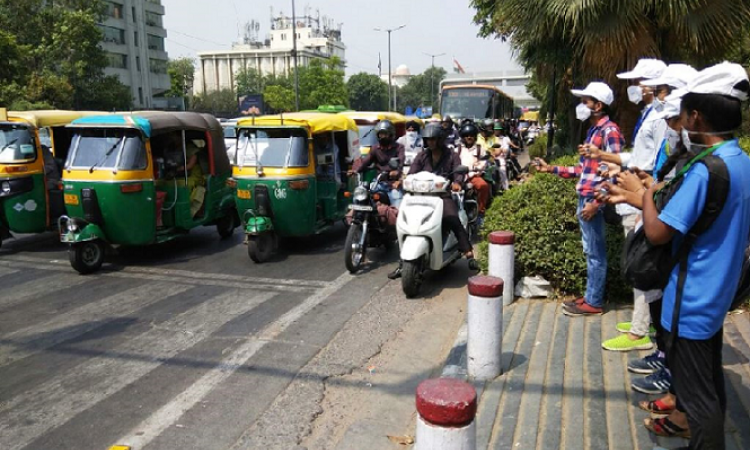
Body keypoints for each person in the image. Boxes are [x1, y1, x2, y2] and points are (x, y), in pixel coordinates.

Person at [638, 62, 750, 448]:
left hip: (691, 300)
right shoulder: (741, 161)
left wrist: (647, 194)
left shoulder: (706, 170)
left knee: (698, 403)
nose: (680, 122)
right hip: (716, 295)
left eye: (683, 113)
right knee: (708, 384)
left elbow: (656, 232)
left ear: (697, 116)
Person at [581, 58, 667, 352]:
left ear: (653, 85)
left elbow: (657, 164)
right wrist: (609, 161)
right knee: (640, 261)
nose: (634, 87)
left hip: (644, 196)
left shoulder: (659, 119)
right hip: (638, 192)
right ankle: (642, 322)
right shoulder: (650, 114)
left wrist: (633, 180)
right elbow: (639, 158)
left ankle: (639, 332)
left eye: (638, 82)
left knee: (642, 264)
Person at [535, 81, 624, 316]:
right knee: (590, 250)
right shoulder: (593, 131)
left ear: (599, 105)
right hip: (585, 195)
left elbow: (617, 172)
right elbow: (583, 171)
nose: (581, 105)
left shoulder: (609, 132)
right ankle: (590, 295)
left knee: (596, 252)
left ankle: (594, 302)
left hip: (593, 200)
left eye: (586, 101)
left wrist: (597, 202)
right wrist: (551, 169)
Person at [388, 122, 479, 279]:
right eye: (428, 139)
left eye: (434, 139)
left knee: (452, 218)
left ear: (440, 139)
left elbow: (458, 172)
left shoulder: (452, 155)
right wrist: (402, 181)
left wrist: (457, 182)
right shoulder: (422, 156)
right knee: (405, 221)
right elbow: (412, 173)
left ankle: (469, 254)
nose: (431, 142)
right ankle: (403, 262)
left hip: (442, 195)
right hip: (419, 196)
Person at [354, 120, 405, 205]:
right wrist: (355, 170)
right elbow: (365, 161)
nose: (382, 136)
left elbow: (401, 161)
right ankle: (353, 216)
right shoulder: (375, 148)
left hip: (393, 184)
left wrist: (396, 172)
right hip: (378, 183)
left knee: (397, 205)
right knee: (359, 197)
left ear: (390, 134)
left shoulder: (399, 148)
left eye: (384, 134)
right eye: (380, 134)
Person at [456, 122, 490, 222]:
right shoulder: (457, 149)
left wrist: (477, 168)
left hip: (473, 176)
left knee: (483, 186)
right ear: (463, 137)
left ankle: (481, 212)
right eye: (466, 135)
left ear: (475, 137)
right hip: (459, 176)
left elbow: (483, 162)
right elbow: (451, 161)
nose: (469, 137)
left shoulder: (480, 149)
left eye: (471, 135)